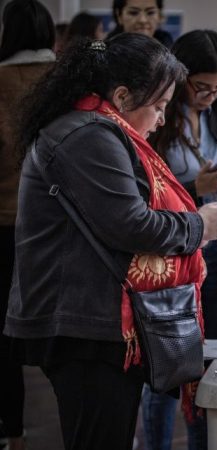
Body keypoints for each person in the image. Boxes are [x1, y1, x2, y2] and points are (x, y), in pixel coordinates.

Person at [4, 34, 217, 450]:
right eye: (160, 106)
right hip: (85, 322)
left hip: (94, 316)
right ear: (124, 95)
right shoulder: (89, 134)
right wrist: (199, 226)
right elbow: (131, 224)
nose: (163, 119)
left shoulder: (94, 128)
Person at [148, 29, 217, 450]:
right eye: (201, 87)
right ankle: (154, 443)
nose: (210, 96)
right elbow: (147, 196)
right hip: (171, 252)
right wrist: (196, 187)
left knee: (211, 361)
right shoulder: (157, 115)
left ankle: (203, 444)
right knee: (169, 369)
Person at [0, 1, 56, 448]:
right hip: (61, 223)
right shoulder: (66, 83)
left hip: (4, 221)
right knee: (64, 333)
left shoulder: (0, 80)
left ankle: (12, 432)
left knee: (3, 340)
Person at [107, 0, 173, 47]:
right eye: (133, 13)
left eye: (150, 13)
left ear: (159, 15)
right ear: (119, 16)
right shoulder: (104, 53)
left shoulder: (172, 51)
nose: (143, 20)